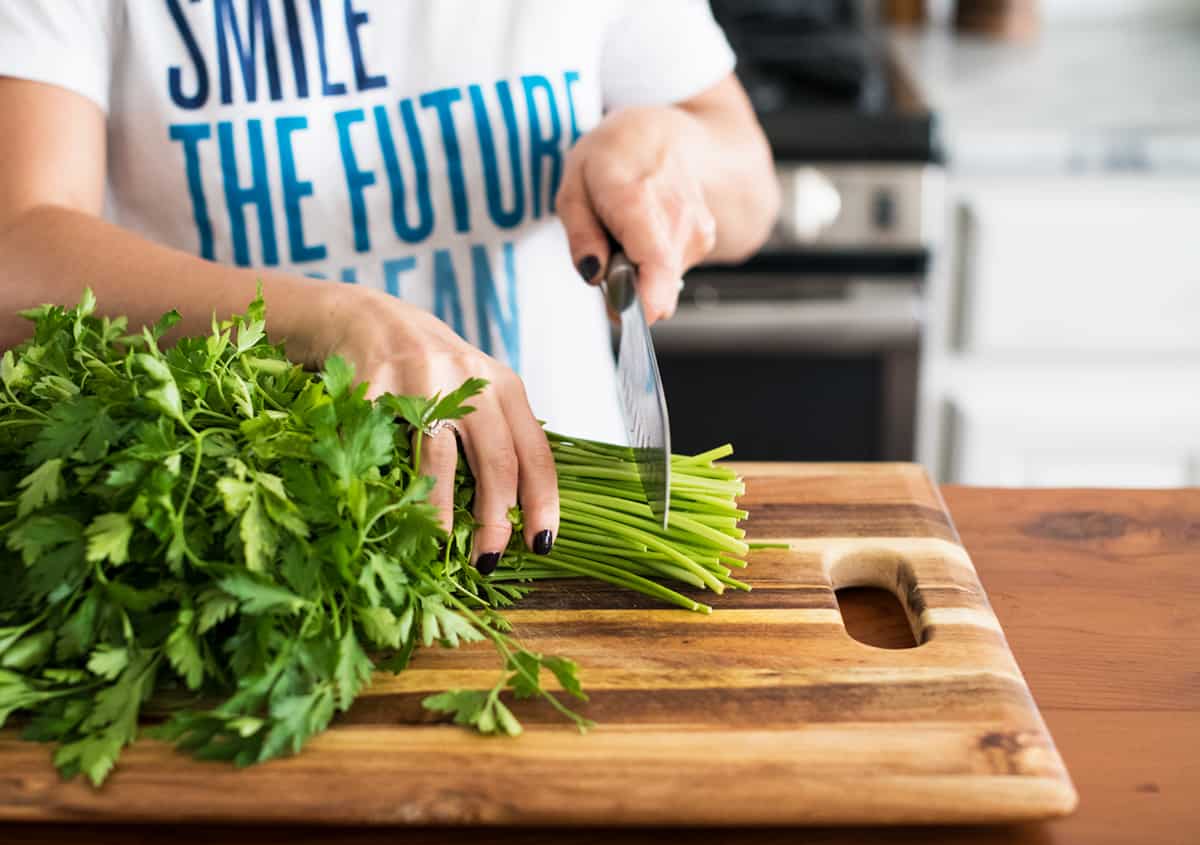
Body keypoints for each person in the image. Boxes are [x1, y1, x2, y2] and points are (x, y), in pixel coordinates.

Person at [0, 1, 778, 572]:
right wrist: (325, 318)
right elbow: (19, 248)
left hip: (564, 531)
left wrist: (667, 146)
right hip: (264, 532)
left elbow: (750, 190)